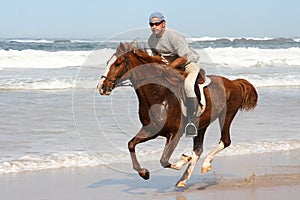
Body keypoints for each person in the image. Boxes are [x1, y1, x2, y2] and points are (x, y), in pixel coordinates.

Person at [147, 11, 201, 137]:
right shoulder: (151, 40)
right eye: (151, 24)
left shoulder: (173, 36)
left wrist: (168, 68)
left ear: (163, 24)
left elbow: (184, 58)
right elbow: (156, 58)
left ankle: (192, 123)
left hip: (188, 63)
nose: (154, 26)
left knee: (188, 86)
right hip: (171, 67)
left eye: (157, 23)